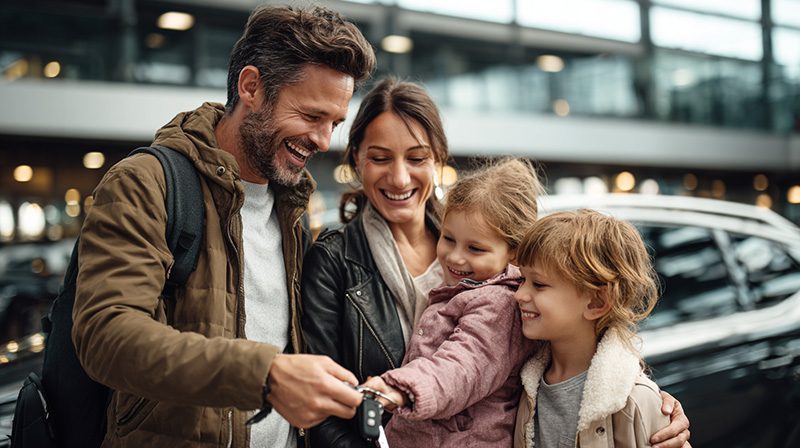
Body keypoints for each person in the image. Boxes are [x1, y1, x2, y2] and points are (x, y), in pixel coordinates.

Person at [301, 78, 690, 447]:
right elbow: (318, 406)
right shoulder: (334, 261)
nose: (399, 177)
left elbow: (574, 323)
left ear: (438, 159)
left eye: (416, 157)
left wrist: (639, 397)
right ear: (355, 158)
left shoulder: (495, 240)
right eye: (380, 158)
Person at [71, 5, 375, 448]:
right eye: (311, 116)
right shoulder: (146, 182)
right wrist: (263, 374)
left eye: (334, 123)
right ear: (251, 86)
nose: (324, 140)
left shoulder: (291, 205)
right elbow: (106, 334)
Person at [361, 158, 543, 447]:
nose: (455, 257)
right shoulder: (462, 290)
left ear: (514, 253)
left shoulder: (499, 305)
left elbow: (461, 367)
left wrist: (400, 389)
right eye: (448, 239)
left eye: (475, 248)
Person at [512, 210, 669, 448]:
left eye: (539, 284)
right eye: (522, 280)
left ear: (597, 302)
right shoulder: (524, 385)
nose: (519, 294)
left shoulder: (637, 401)